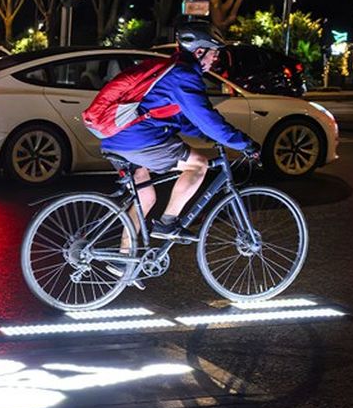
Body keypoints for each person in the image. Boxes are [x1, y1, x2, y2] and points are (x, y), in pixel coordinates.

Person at [100, 21, 259, 243]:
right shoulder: (183, 76)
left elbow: (179, 119)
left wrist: (205, 136)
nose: (215, 59)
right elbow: (207, 118)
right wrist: (244, 144)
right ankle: (167, 223)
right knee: (198, 164)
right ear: (199, 51)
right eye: (213, 53)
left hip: (116, 137)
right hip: (137, 138)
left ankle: (122, 263)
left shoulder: (173, 71)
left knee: (145, 197)